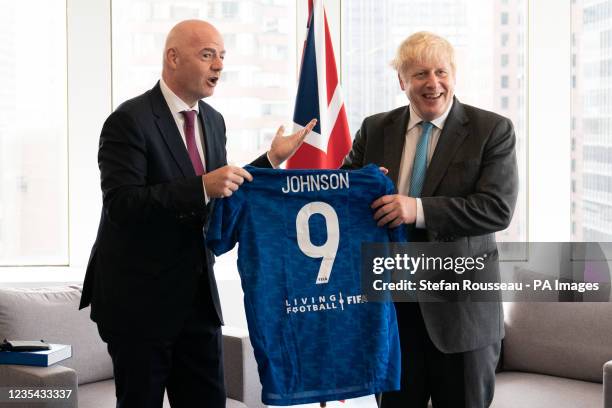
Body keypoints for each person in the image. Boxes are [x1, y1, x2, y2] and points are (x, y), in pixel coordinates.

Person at [79, 19, 315, 408]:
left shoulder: (213, 120)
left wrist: (271, 160)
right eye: (207, 55)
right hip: (139, 304)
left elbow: (221, 193)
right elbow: (123, 204)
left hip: (198, 301)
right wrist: (202, 186)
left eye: (222, 56)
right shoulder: (129, 120)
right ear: (172, 58)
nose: (218, 65)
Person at [342, 32, 518, 408]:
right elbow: (342, 196)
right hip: (391, 312)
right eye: (420, 73)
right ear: (401, 81)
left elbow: (497, 208)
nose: (432, 83)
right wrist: (278, 169)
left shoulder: (492, 130)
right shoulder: (375, 129)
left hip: (462, 319)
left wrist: (416, 209)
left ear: (454, 76)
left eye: (441, 71)